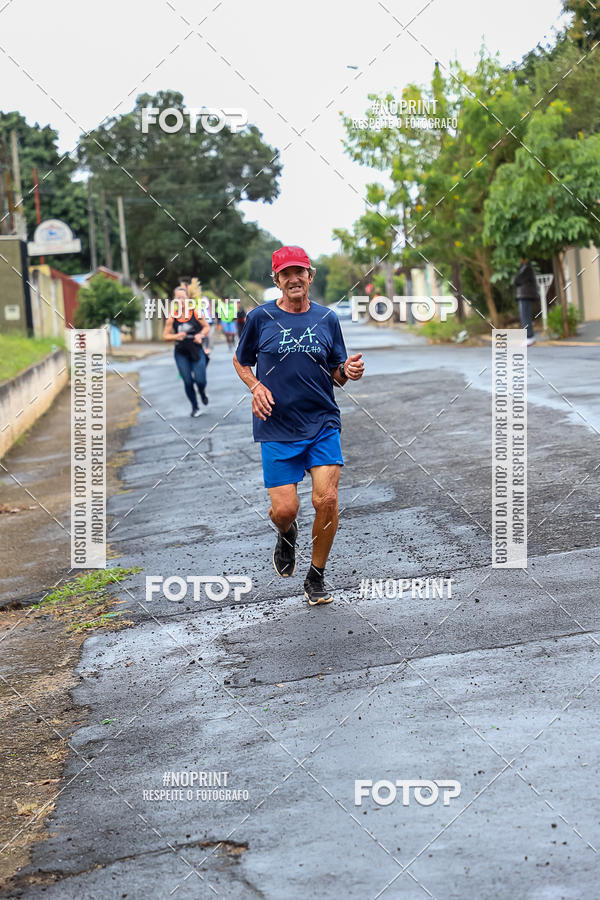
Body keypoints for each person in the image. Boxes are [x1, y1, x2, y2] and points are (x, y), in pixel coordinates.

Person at [233, 245, 365, 606]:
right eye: (285, 274)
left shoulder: (327, 319)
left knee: (327, 498)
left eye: (299, 272)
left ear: (310, 276)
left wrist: (348, 371)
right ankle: (286, 532)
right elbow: (241, 360)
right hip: (276, 427)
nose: (294, 279)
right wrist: (255, 386)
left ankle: (316, 575)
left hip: (322, 422)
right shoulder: (260, 318)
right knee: (285, 510)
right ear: (276, 280)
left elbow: (337, 373)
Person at [163, 286, 210, 416]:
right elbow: (165, 336)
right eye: (178, 298)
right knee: (188, 381)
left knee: (200, 380)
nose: (181, 300)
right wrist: (176, 336)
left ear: (188, 299)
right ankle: (195, 407)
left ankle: (202, 392)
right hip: (181, 352)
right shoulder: (172, 317)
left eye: (183, 298)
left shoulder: (196, 313)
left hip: (196, 350)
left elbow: (206, 327)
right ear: (174, 300)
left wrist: (200, 335)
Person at [514, 258, 539, 346]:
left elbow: (518, 280)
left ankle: (529, 337)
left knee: (525, 317)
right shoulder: (523, 268)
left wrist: (516, 279)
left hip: (525, 295)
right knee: (524, 317)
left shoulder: (527, 268)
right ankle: (529, 337)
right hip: (524, 295)